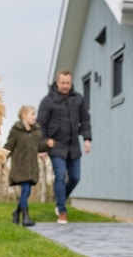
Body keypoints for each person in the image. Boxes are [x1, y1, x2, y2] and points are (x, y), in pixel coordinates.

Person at [37, 70, 92, 224]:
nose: (66, 86)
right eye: (63, 83)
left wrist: (87, 138)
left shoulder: (78, 99)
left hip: (73, 145)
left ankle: (61, 198)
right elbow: (41, 124)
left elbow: (85, 120)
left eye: (68, 83)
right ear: (57, 82)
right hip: (56, 145)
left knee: (75, 177)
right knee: (60, 175)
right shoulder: (48, 101)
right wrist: (43, 145)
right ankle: (62, 210)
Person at [3, 105, 48, 226]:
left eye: (35, 114)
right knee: (26, 190)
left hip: (32, 168)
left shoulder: (36, 132)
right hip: (20, 167)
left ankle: (16, 212)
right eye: (32, 114)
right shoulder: (16, 131)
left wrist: (48, 145)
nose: (35, 117)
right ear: (24, 115)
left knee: (26, 193)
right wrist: (1, 161)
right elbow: (9, 147)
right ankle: (26, 217)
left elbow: (39, 147)